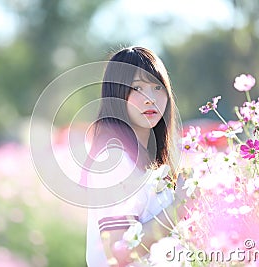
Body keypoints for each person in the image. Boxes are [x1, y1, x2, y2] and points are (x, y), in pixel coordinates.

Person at [82, 46, 187, 267]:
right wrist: (178, 207)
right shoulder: (114, 161)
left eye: (157, 87)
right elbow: (119, 250)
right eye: (137, 88)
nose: (150, 98)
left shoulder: (149, 161)